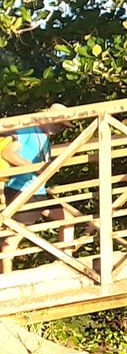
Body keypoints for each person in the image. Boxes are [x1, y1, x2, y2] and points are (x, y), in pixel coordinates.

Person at [0, 104, 68, 248]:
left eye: (63, 126)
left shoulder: (44, 137)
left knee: (68, 220)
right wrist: (36, 169)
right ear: (48, 117)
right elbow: (7, 153)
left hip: (37, 190)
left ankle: (67, 262)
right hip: (21, 190)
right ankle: (6, 271)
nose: (60, 128)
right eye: (59, 123)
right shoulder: (28, 131)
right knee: (12, 238)